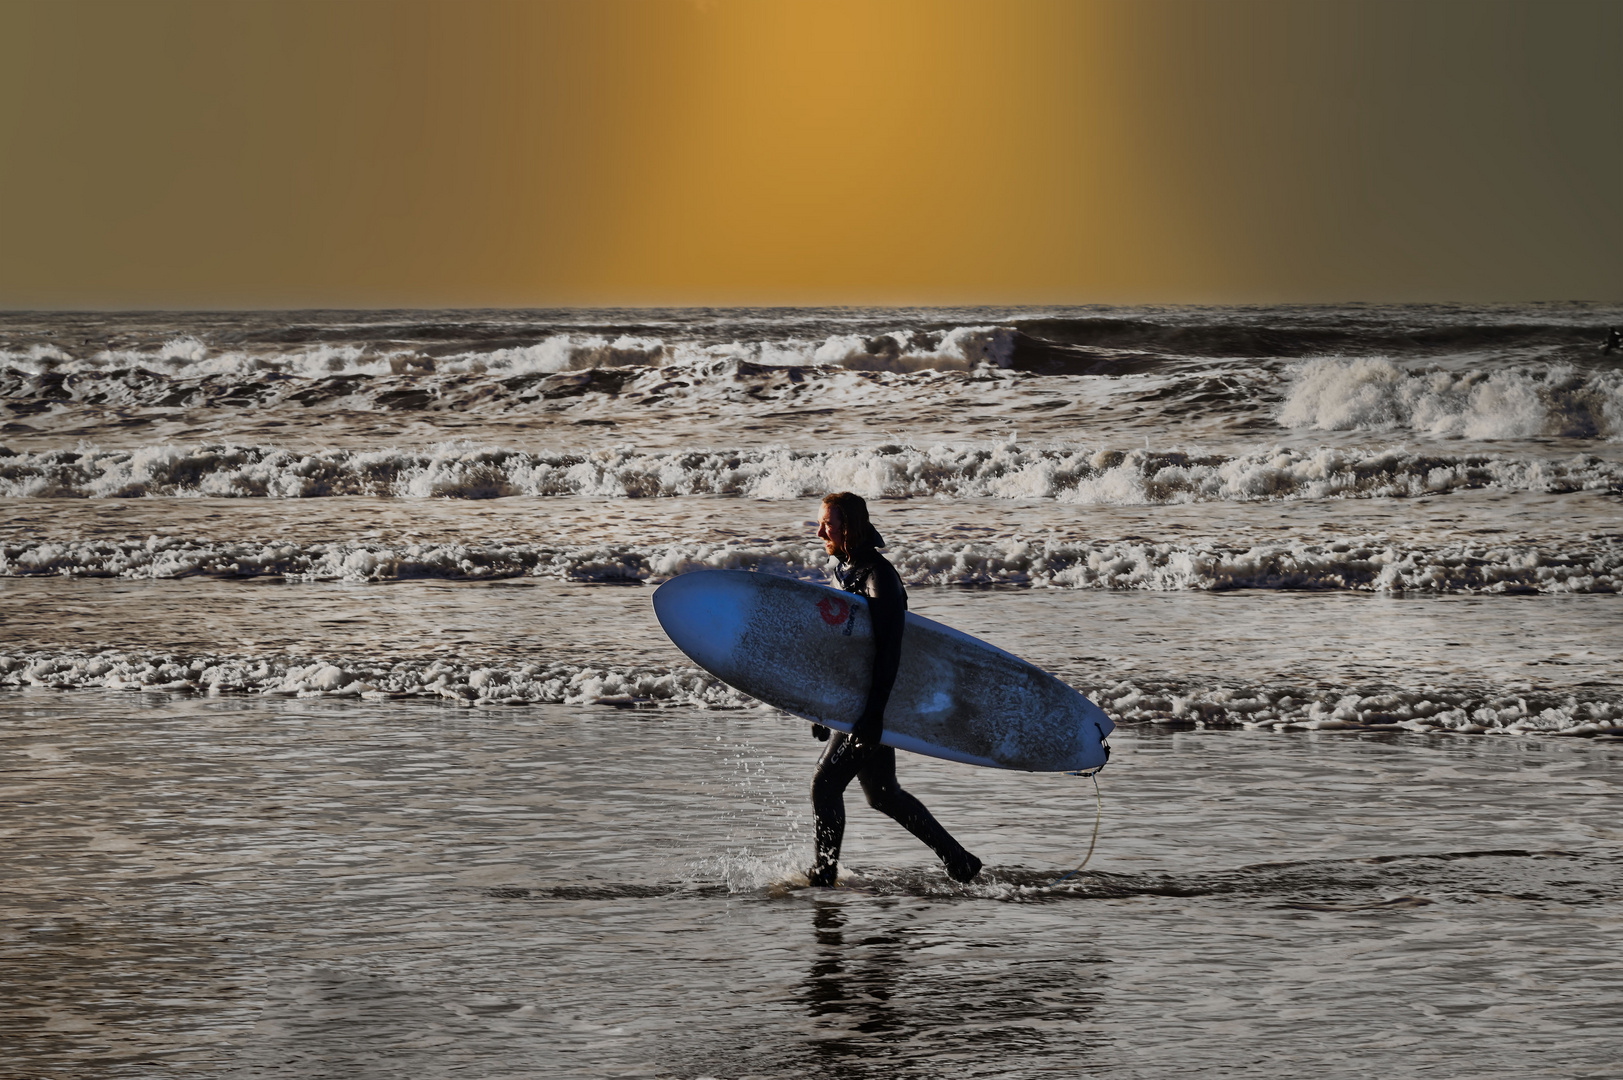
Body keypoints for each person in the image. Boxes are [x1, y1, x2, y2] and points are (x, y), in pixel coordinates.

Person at [806, 491, 982, 887]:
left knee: (826, 784)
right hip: (856, 701)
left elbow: (889, 653)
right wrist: (822, 707)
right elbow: (848, 649)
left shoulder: (878, 577)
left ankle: (824, 872)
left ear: (847, 527)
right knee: (882, 792)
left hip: (873, 702)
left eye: (827, 525)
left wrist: (872, 715)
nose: (819, 532)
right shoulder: (844, 568)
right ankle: (959, 860)